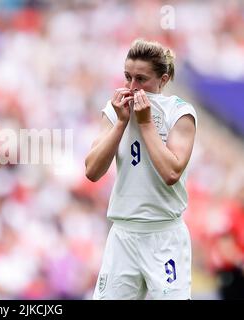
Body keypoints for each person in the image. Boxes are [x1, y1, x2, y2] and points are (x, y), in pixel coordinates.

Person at [85, 39, 197, 299]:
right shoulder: (114, 111)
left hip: (164, 235)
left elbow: (171, 173)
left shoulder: (179, 112)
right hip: (124, 234)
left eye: (141, 79)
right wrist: (122, 124)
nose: (132, 87)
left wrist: (145, 124)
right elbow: (92, 170)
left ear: (163, 79)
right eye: (128, 77)